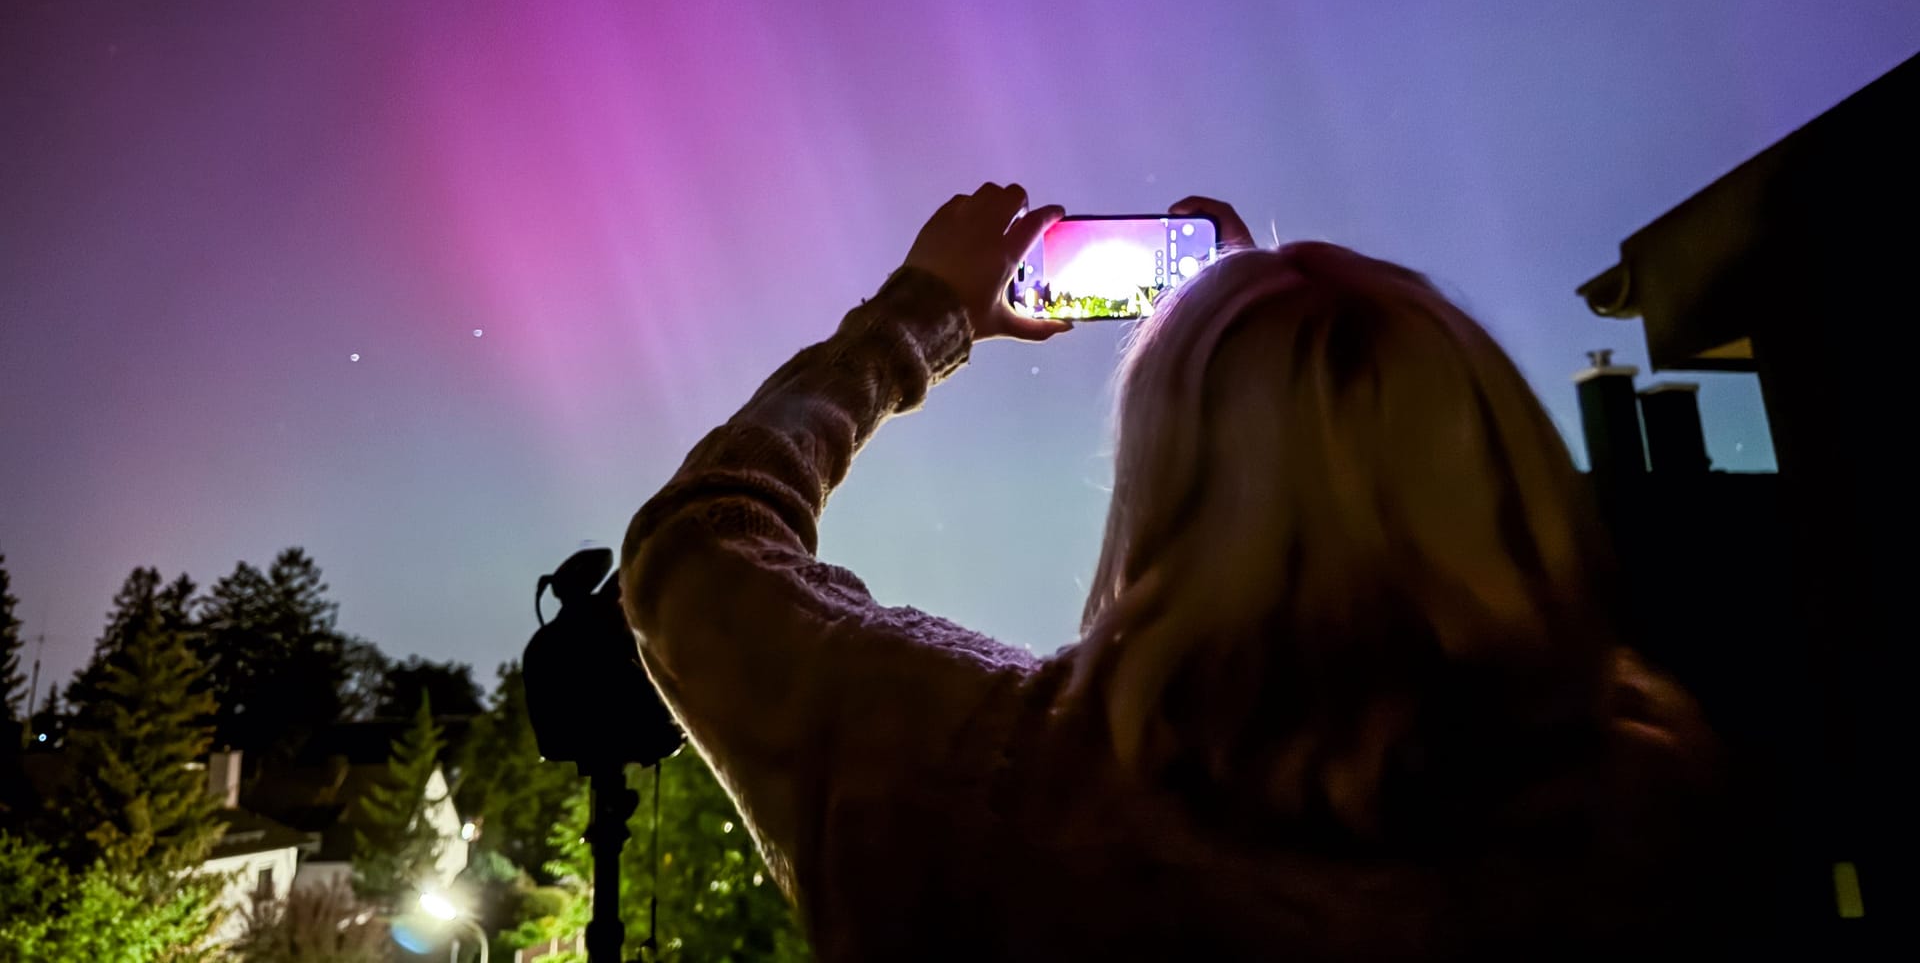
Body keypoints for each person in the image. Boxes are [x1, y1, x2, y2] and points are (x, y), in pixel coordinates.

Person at [620, 184, 1742, 960]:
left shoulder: (984, 782)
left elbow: (701, 545)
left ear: (1164, 491)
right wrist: (1260, 314)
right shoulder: (1654, 811)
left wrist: (926, 315)